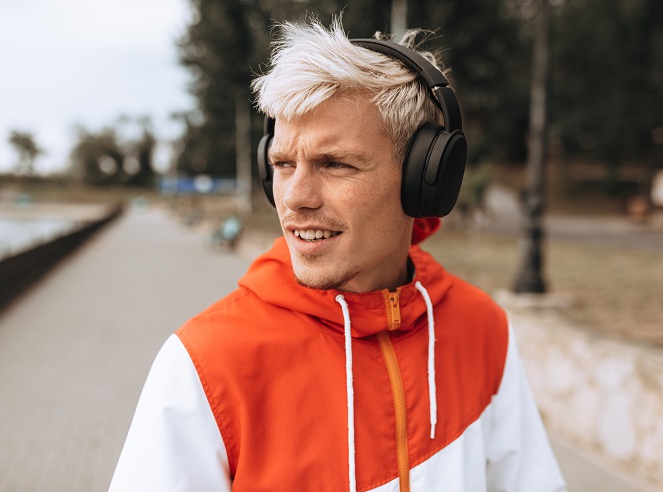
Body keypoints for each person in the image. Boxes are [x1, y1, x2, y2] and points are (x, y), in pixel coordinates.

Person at [109, 16, 566, 492]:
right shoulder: (204, 363)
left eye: (335, 164)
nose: (295, 197)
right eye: (283, 164)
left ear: (424, 179)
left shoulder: (482, 328)